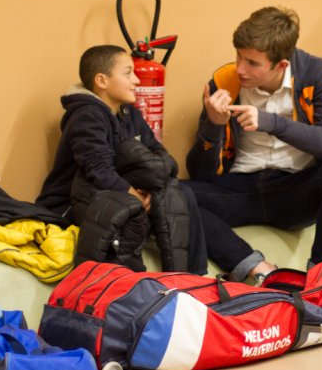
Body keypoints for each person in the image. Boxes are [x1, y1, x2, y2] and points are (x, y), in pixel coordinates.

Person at [184, 7, 322, 284]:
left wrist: (271, 122)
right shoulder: (224, 81)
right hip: (240, 188)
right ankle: (255, 268)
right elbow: (200, 173)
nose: (240, 68)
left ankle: (321, 277)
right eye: (239, 56)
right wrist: (213, 125)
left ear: (280, 65)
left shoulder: (316, 73)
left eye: (252, 63)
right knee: (171, 194)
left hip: (294, 189)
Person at [36, 45, 207, 273]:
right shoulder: (87, 115)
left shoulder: (129, 113)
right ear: (102, 81)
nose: (136, 80)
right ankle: (136, 283)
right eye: (128, 73)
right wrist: (137, 196)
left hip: (119, 195)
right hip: (72, 205)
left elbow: (160, 155)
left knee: (181, 192)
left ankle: (194, 277)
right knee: (134, 206)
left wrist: (151, 191)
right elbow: (99, 171)